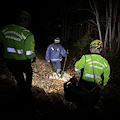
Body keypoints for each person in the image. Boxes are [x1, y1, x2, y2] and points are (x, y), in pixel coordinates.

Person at [0, 10, 36, 96]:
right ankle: (27, 92)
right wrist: (33, 56)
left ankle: (21, 91)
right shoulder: (27, 35)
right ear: (26, 20)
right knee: (29, 73)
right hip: (22, 61)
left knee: (19, 78)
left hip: (9, 60)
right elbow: (29, 53)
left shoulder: (5, 29)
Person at [74, 39, 110, 107]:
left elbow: (76, 67)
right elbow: (106, 76)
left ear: (94, 48)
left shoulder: (85, 57)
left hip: (84, 85)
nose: (91, 49)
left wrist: (78, 73)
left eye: (91, 48)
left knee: (81, 104)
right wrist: (103, 85)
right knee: (92, 104)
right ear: (100, 49)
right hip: (96, 87)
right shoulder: (105, 62)